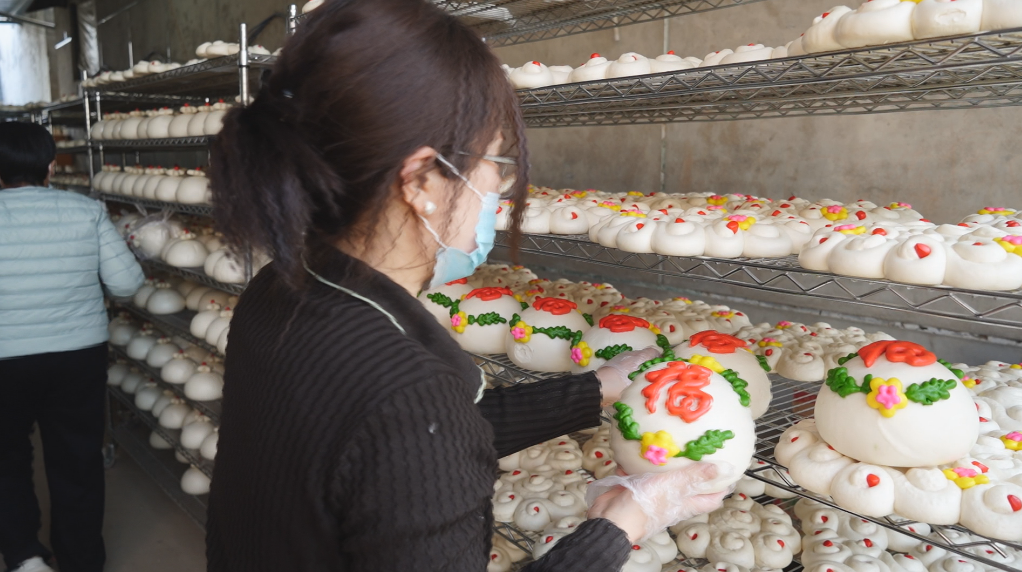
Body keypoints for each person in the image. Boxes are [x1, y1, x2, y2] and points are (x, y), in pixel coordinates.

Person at [204, 1, 728, 570]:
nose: (499, 183)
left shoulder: (282, 288)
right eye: (494, 159)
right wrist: (622, 524)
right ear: (422, 181)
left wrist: (597, 387)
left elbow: (411, 446)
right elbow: (413, 428)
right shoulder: (407, 392)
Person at [0, 122, 145, 572]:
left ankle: (24, 557)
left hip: (4, 358)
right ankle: (81, 560)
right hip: (77, 356)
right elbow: (126, 284)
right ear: (51, 166)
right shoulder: (86, 211)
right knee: (76, 458)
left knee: (6, 456)